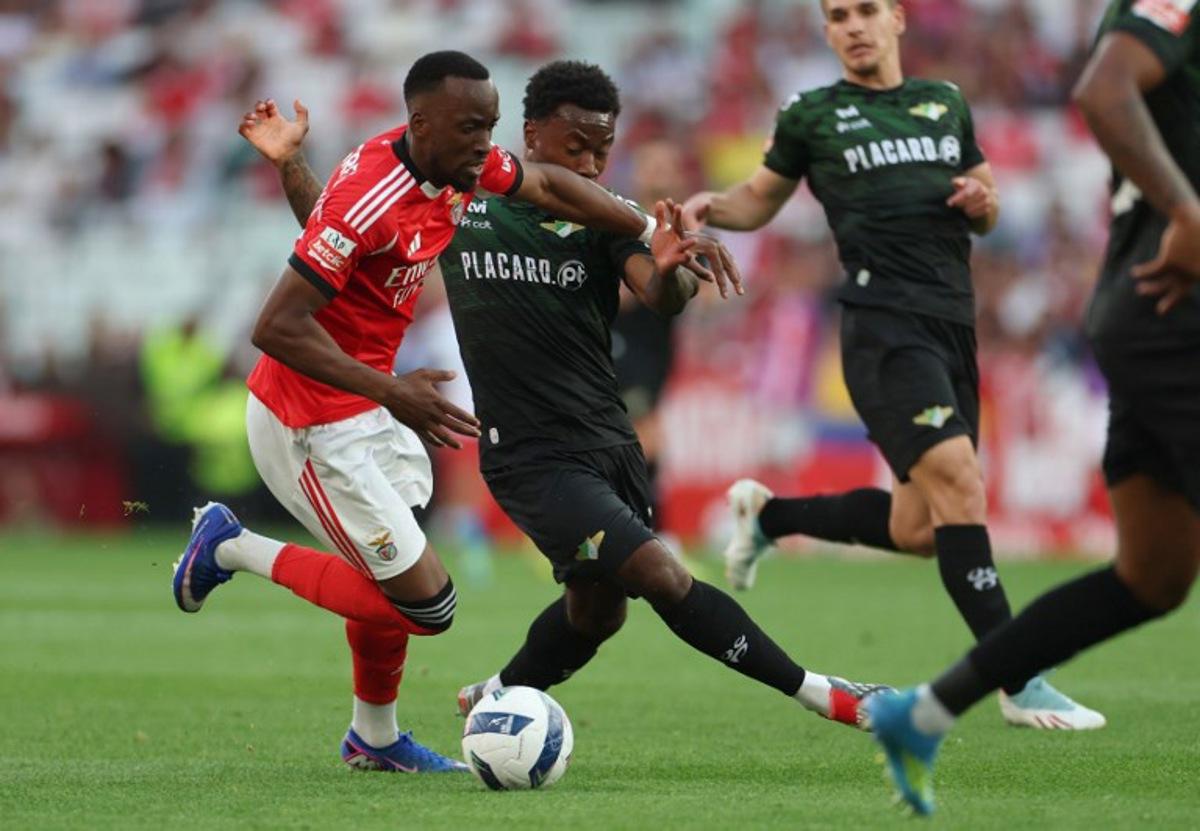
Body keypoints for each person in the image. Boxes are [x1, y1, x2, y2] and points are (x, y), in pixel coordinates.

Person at [246, 59, 891, 732]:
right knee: (662, 575)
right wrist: (293, 167)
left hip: (608, 442)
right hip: (530, 454)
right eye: (576, 146)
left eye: (603, 150)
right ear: (532, 136)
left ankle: (496, 694)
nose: (590, 164)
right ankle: (826, 694)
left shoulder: (602, 216)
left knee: (597, 613)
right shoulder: (467, 197)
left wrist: (670, 264)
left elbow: (663, 295)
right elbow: (347, 233)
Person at [171, 50, 714, 775]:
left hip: (365, 403)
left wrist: (647, 232)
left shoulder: (458, 164)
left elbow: (545, 186)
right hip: (305, 414)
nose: (487, 144)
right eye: (471, 128)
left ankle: (374, 736)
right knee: (426, 605)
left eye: (491, 126)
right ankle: (231, 544)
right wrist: (392, 389)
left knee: (391, 565)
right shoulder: (372, 188)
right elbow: (275, 326)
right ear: (421, 123)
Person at [682, 0, 1102, 729]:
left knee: (920, 529)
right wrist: (707, 208)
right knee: (961, 481)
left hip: (952, 326)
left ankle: (769, 516)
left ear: (898, 19)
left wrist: (983, 199)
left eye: (867, 10)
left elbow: (988, 205)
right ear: (827, 30)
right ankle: (1018, 675)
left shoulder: (944, 103)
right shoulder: (813, 114)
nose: (853, 25)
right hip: (882, 327)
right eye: (838, 15)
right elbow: (757, 200)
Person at [868, 0, 1200, 815]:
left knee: (1151, 575)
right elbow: (1102, 87)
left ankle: (925, 712)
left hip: (1148, 314)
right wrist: (1187, 210)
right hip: (1176, 310)